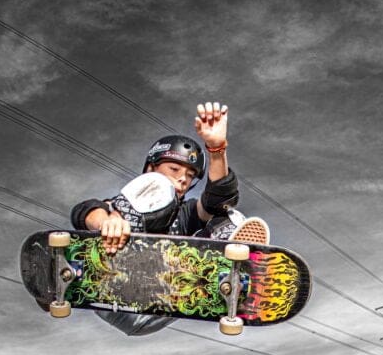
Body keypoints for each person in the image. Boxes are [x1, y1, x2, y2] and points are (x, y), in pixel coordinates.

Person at [69, 100, 269, 336]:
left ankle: (228, 280)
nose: (183, 179)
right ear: (150, 167)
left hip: (158, 303)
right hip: (115, 291)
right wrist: (107, 221)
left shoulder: (188, 213)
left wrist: (217, 150)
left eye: (190, 175)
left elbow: (217, 199)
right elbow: (85, 210)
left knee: (228, 215)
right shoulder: (128, 202)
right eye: (174, 170)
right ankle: (111, 262)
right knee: (157, 189)